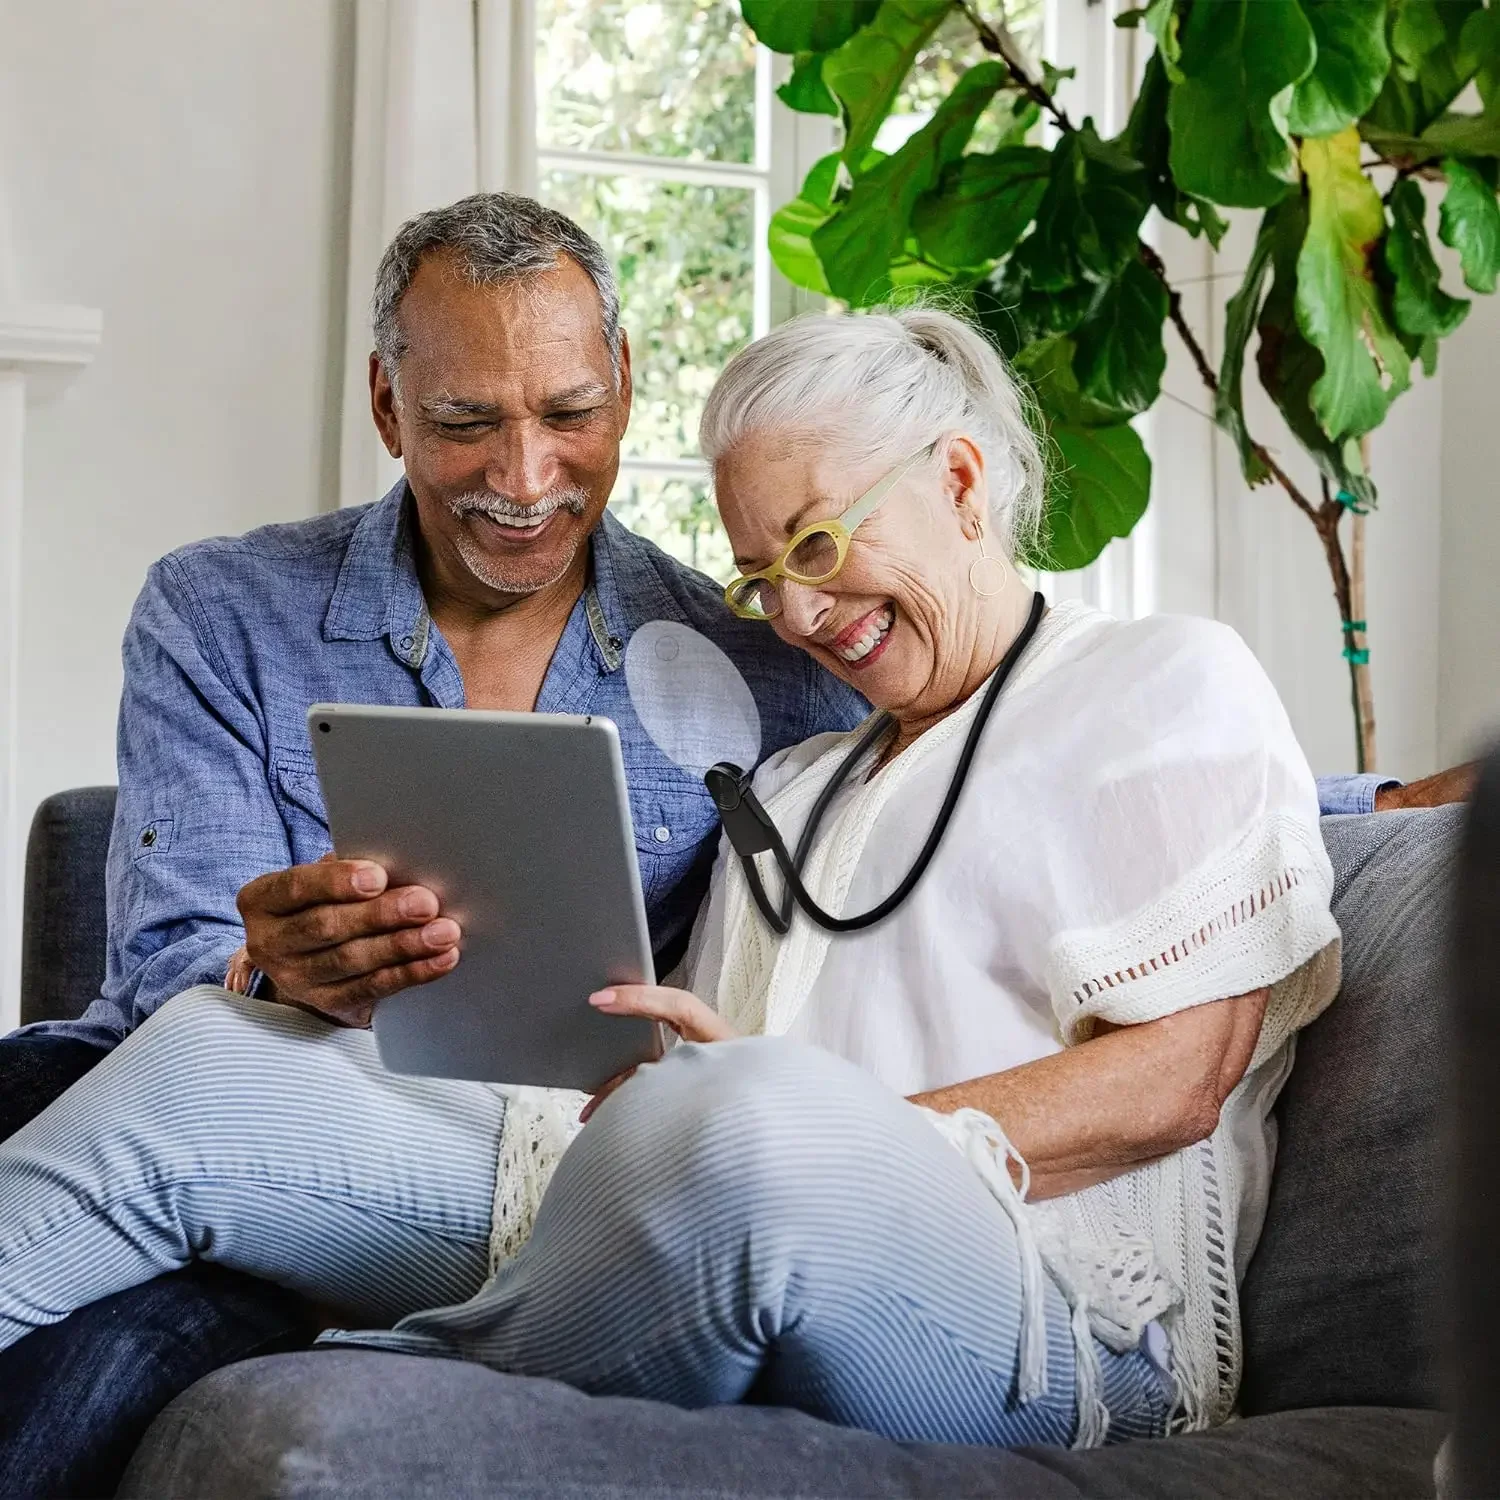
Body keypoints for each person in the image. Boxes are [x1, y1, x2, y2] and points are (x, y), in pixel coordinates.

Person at [3, 303, 1355, 1447]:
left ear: (959, 482)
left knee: (749, 1128)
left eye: (819, 547)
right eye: (765, 579)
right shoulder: (797, 780)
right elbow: (679, 1084)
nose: (805, 617)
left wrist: (788, 1122)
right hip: (678, 1188)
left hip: (1038, 1298)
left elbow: (1177, 1081)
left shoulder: (1161, 682)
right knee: (206, 1058)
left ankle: (406, 1381)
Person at [0, 194, 863, 1496]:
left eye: (569, 415)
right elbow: (163, 984)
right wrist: (274, 970)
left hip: (444, 1199)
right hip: (189, 1103)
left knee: (107, 1360)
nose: (524, 480)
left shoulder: (769, 679)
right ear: (388, 406)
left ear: (625, 389)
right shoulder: (220, 610)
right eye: (466, 423)